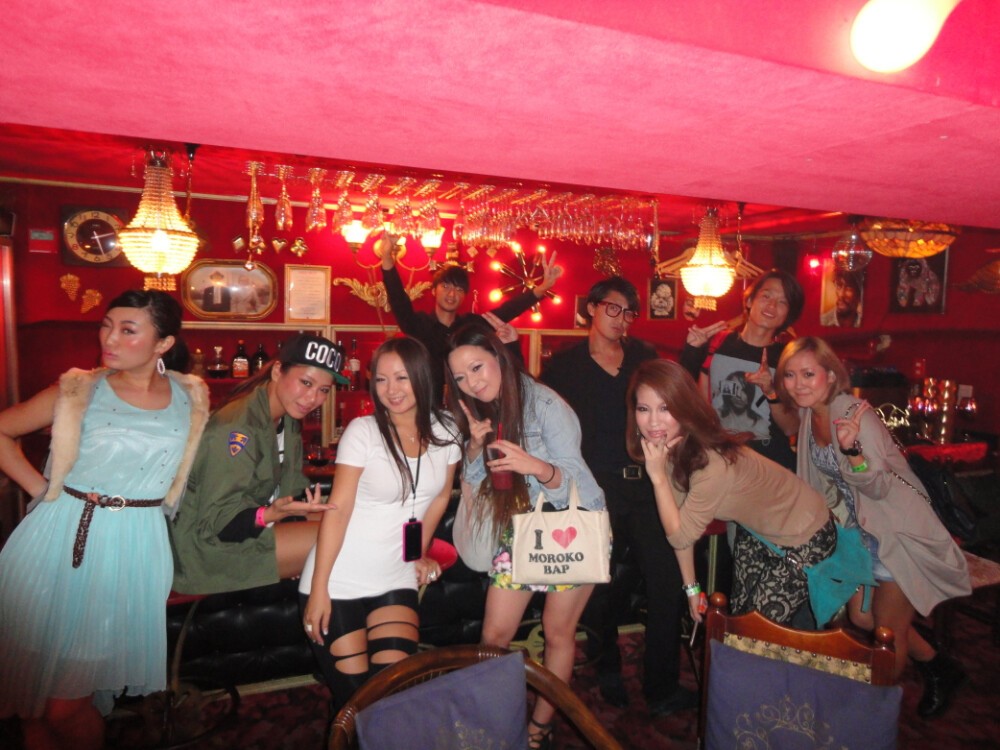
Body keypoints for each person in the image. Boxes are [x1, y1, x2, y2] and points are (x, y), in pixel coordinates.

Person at [0, 290, 209, 750]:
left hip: (133, 547)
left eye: (128, 330)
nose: (109, 339)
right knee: (35, 703)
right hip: (55, 539)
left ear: (163, 344)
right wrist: (42, 491)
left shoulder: (191, 397)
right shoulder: (80, 389)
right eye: (106, 325)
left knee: (66, 704)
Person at [776, 336, 971, 717]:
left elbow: (879, 486)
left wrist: (853, 453)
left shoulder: (856, 416)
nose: (798, 384)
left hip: (895, 531)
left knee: (886, 635)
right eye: (789, 375)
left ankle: (871, 717)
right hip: (862, 532)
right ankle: (939, 665)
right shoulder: (810, 414)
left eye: (808, 374)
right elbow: (817, 483)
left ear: (831, 376)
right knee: (862, 616)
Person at [446, 324, 605, 750]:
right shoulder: (485, 410)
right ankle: (492, 719)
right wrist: (475, 449)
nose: (471, 382)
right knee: (494, 635)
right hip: (522, 528)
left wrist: (535, 466)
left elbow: (576, 481)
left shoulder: (547, 405)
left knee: (558, 632)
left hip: (574, 525)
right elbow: (477, 479)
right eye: (460, 377)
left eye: (477, 367)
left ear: (498, 357)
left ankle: (539, 727)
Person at [542, 277, 693, 717]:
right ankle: (606, 666)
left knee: (666, 582)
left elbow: (675, 397)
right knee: (600, 587)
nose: (621, 319)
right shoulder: (565, 366)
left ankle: (662, 685)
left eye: (628, 312)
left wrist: (694, 353)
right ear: (591, 308)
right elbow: (539, 413)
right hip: (594, 489)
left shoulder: (643, 357)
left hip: (646, 484)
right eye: (613, 308)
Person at [300, 336, 461, 708]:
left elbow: (438, 497)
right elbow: (338, 511)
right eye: (382, 380)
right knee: (357, 701)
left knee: (392, 693)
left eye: (402, 377)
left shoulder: (448, 430)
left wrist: (416, 554)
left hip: (395, 577)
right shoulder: (364, 431)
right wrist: (320, 588)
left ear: (422, 377)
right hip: (339, 579)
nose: (391, 390)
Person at [627, 359, 835, 628]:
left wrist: (657, 478)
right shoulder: (671, 449)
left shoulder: (710, 461)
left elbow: (679, 536)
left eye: (665, 408)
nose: (653, 421)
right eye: (644, 409)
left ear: (684, 408)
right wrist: (692, 589)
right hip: (760, 532)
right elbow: (681, 525)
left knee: (754, 632)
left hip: (806, 533)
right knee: (741, 621)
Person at [169, 333, 346, 595]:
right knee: (344, 539)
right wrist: (268, 515)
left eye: (323, 390)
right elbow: (219, 523)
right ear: (277, 371)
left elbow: (290, 495)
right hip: (206, 551)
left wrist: (287, 514)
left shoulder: (287, 420)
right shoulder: (237, 428)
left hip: (254, 529)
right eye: (306, 383)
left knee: (348, 523)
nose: (312, 398)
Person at [380, 232, 562, 399]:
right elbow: (398, 299)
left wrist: (542, 288)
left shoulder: (470, 326)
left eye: (459, 289)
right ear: (434, 290)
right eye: (446, 287)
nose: (452, 294)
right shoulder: (418, 325)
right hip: (427, 408)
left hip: (468, 408)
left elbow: (507, 311)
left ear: (464, 295)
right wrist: (387, 257)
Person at [679, 269, 805, 471]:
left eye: (783, 302)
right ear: (749, 301)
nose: (772, 305)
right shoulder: (717, 343)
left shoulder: (789, 359)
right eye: (766, 296)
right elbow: (684, 395)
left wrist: (771, 392)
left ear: (788, 315)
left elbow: (791, 427)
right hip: (721, 459)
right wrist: (692, 350)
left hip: (769, 465)